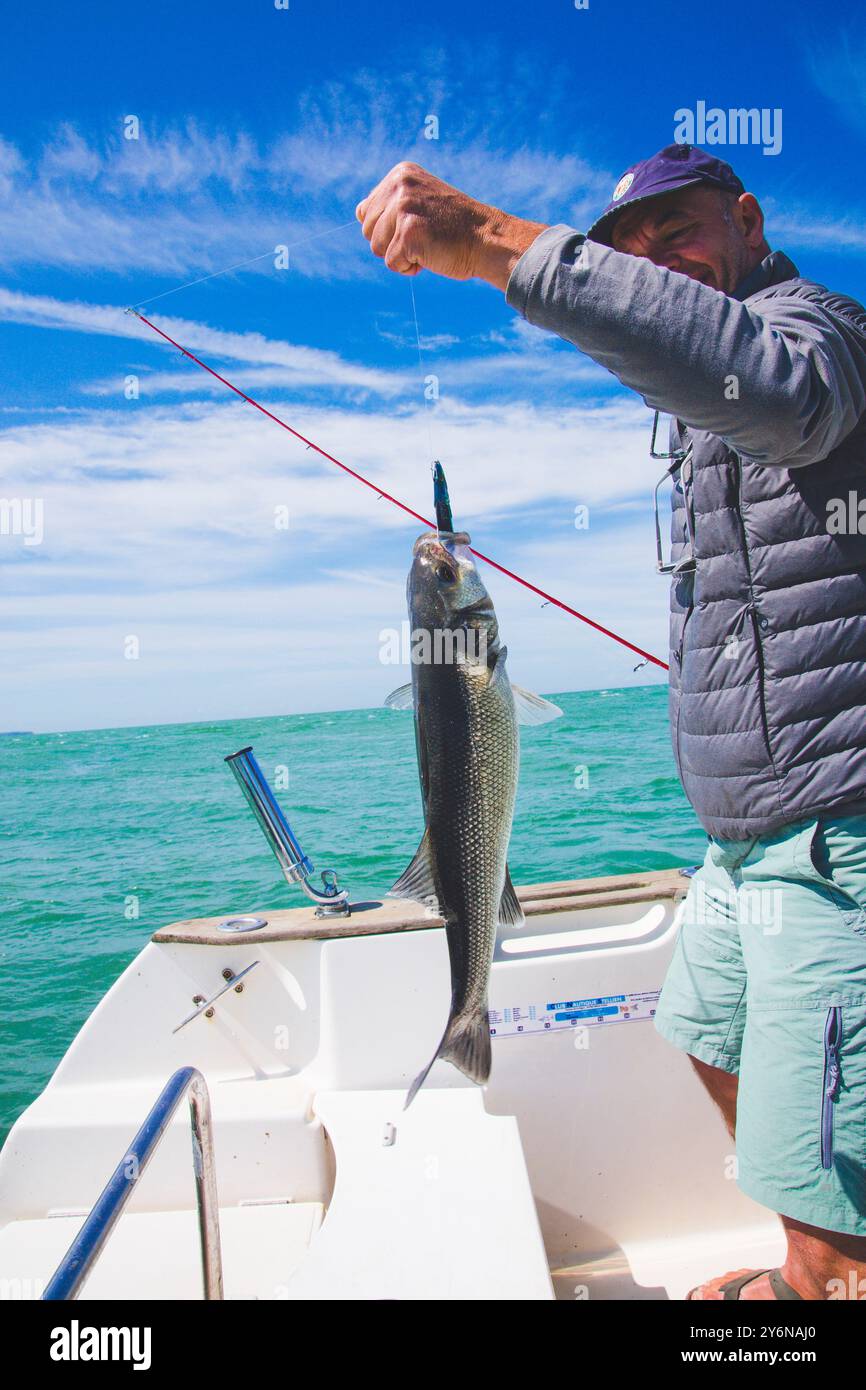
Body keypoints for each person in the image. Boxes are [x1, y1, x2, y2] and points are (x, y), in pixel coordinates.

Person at [356, 144, 866, 1301]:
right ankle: (807, 1252)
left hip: (837, 834)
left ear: (745, 219)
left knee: (842, 1208)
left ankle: (818, 1282)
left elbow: (776, 390)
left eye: (672, 235)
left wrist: (495, 248)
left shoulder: (817, 330)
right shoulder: (695, 412)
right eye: (626, 254)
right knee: (704, 1032)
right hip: (740, 839)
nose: (653, 267)